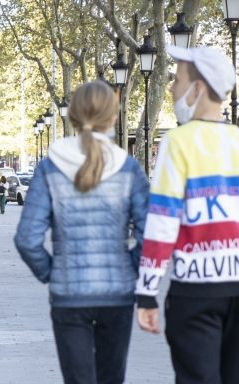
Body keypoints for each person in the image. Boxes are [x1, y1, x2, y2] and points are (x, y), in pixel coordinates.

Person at [14, 80, 149, 384]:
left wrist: (53, 271)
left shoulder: (50, 167)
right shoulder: (128, 168)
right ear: (113, 118)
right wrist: (129, 266)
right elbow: (149, 233)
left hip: (69, 295)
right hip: (117, 294)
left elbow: (27, 238)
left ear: (72, 116)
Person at [135, 46, 239, 384]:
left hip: (196, 292)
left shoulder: (177, 142)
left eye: (177, 80)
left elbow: (162, 222)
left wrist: (147, 293)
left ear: (198, 88)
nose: (171, 88)